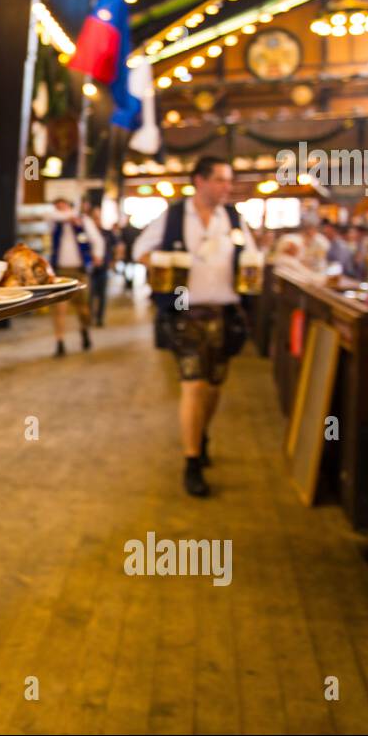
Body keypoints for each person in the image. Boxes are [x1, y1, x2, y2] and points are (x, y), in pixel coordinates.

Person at [134, 156, 259, 498]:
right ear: (199, 181)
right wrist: (163, 264)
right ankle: (191, 462)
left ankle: (201, 434)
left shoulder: (233, 218)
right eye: (220, 179)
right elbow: (139, 249)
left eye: (228, 180)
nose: (227, 187)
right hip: (184, 312)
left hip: (225, 312)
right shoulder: (173, 216)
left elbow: (251, 256)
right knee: (194, 385)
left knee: (215, 385)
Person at [48, 197, 102, 356]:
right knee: (59, 309)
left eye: (62, 206)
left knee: (83, 307)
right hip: (59, 270)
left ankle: (84, 331)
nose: (60, 209)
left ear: (69, 206)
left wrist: (97, 255)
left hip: (79, 270)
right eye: (57, 206)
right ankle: (60, 342)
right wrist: (68, 216)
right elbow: (50, 215)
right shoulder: (55, 222)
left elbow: (97, 240)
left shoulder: (84, 221)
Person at [88, 205, 116, 327]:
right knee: (90, 295)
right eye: (94, 218)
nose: (96, 220)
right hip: (89, 269)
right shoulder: (86, 233)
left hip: (103, 268)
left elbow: (116, 246)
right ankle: (90, 317)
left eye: (98, 218)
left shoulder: (107, 233)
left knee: (102, 294)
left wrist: (113, 261)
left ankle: (100, 318)